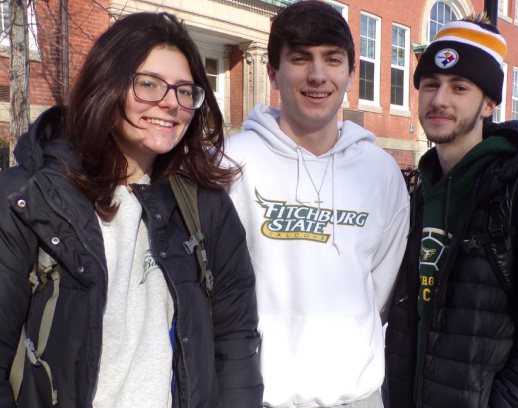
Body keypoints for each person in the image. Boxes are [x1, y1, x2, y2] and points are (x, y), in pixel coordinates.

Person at [0, 12, 262, 408]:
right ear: (107, 84)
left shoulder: (205, 206)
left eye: (185, 91)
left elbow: (235, 342)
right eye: (149, 84)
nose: (171, 103)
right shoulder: (24, 200)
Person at [383, 15, 518, 408]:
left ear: (489, 103)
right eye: (430, 84)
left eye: (459, 87)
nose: (439, 99)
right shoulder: (417, 193)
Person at [222, 2, 409, 407]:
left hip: (356, 395)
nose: (318, 75)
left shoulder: (381, 172)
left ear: (351, 73)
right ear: (273, 72)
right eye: (300, 58)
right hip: (259, 396)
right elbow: (217, 287)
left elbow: (380, 287)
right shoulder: (230, 164)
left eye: (332, 59)